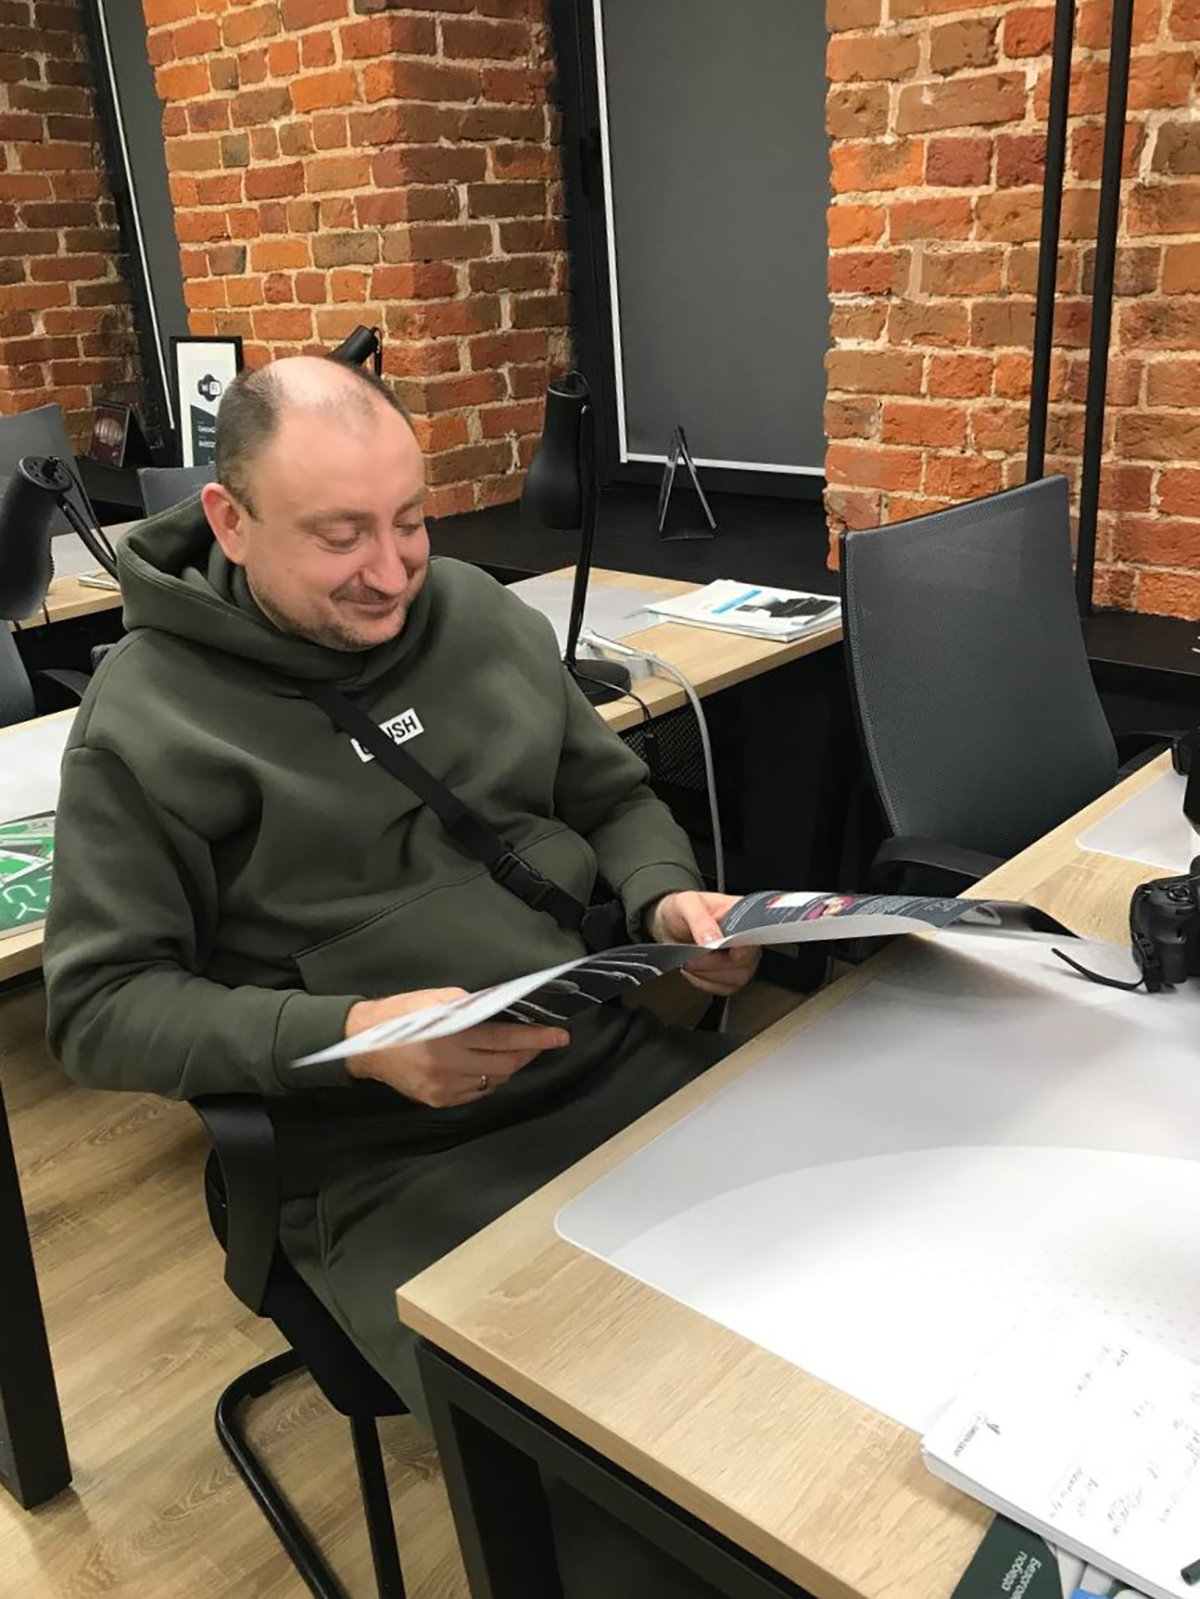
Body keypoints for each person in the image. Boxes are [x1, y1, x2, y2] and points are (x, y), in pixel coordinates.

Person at [44, 356, 759, 1593]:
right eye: (339, 537)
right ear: (230, 522)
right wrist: (351, 1035)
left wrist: (665, 896)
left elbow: (611, 795)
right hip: (382, 1159)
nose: (390, 570)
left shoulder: (476, 612)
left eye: (411, 520)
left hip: (608, 1057)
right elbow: (99, 1010)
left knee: (847, 1304)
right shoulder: (146, 722)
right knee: (641, 1508)